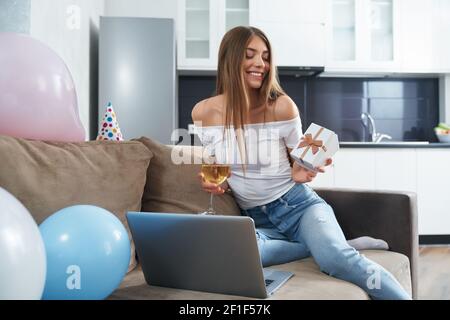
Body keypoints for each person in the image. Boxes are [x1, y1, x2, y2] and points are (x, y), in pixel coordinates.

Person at [192, 26, 411, 300]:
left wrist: (301, 170)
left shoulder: (282, 106)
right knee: (236, 256)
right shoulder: (204, 112)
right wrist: (216, 183)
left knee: (335, 260)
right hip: (254, 219)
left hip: (298, 206)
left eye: (265, 56)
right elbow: (217, 166)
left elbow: (299, 160)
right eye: (250, 55)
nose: (261, 64)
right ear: (229, 59)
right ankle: (324, 246)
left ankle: (335, 251)